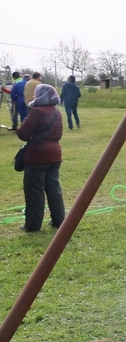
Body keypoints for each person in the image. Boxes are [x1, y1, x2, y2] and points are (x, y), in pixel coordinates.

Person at [16, 83, 65, 232]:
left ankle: (32, 225)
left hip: (37, 157)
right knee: (53, 189)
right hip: (55, 155)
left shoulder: (37, 111)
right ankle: (59, 220)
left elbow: (23, 134)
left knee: (34, 191)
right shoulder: (57, 111)